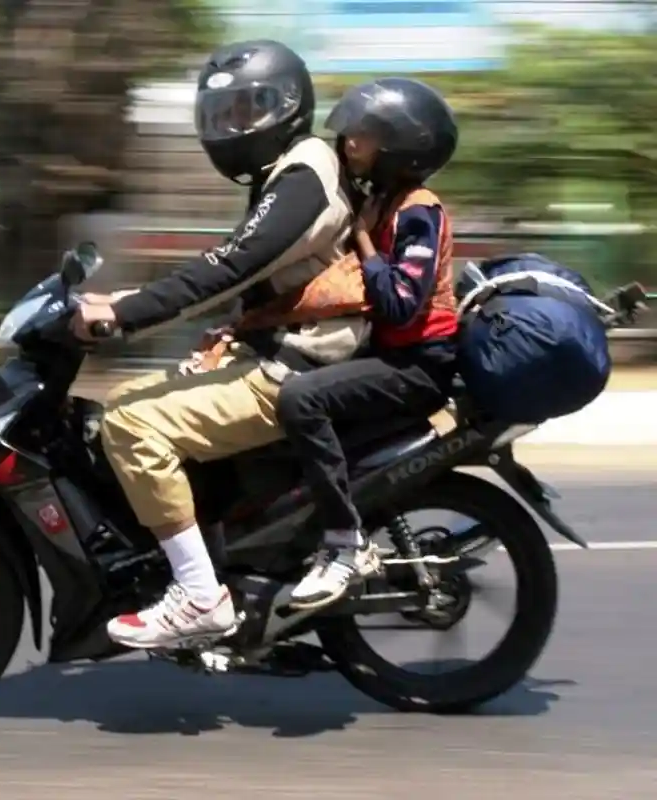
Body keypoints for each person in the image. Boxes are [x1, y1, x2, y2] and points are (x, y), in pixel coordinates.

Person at [69, 39, 368, 650]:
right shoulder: (288, 171)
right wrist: (127, 297)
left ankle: (201, 597)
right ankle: (210, 550)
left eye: (248, 109)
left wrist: (124, 313)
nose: (232, 125)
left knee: (131, 424)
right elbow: (245, 270)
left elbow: (229, 267)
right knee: (121, 400)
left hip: (300, 365)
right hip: (278, 351)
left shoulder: (305, 176)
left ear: (287, 106)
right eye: (223, 113)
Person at [278, 77, 462, 609]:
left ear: (402, 149)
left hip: (417, 365)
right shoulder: (385, 201)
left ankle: (344, 543)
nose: (352, 141)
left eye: (368, 135)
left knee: (301, 398)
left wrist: (362, 237)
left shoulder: (418, 210)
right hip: (389, 356)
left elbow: (401, 302)